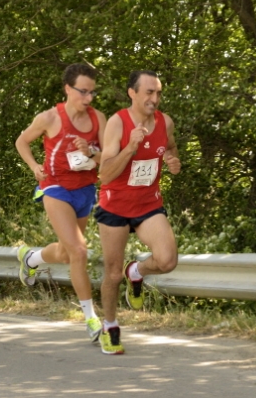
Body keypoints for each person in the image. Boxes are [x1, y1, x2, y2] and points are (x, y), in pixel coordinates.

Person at [14, 63, 107, 343]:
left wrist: (90, 151)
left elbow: (109, 157)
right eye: (83, 92)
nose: (88, 98)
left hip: (85, 189)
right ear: (68, 88)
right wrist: (33, 166)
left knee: (68, 255)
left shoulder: (98, 119)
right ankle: (91, 318)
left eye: (92, 92)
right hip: (55, 188)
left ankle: (31, 258)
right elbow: (22, 141)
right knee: (79, 251)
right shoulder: (49, 118)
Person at [94, 70, 181, 355]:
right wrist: (131, 147)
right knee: (112, 273)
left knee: (167, 261)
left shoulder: (165, 122)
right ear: (132, 93)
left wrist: (172, 158)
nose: (154, 99)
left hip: (148, 205)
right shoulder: (118, 123)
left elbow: (170, 146)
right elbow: (105, 174)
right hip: (115, 206)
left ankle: (138, 270)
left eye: (158, 93)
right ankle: (110, 326)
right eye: (149, 93)